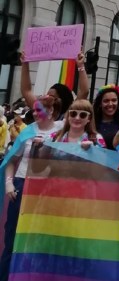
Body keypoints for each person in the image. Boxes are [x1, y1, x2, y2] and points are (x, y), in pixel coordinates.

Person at [1, 95, 62, 281]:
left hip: (47, 190)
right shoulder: (27, 132)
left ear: (51, 111)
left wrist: (81, 68)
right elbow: (11, 161)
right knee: (12, 233)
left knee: (40, 236)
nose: (35, 113)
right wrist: (9, 183)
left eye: (39, 110)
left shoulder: (61, 129)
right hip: (22, 184)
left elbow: (83, 99)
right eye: (34, 110)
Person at [20, 51, 89, 120]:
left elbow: (84, 91)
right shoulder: (40, 112)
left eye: (51, 96)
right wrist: (25, 63)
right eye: (47, 95)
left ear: (61, 101)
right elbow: (26, 91)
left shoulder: (66, 119)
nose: (46, 97)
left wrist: (80, 66)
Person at [93, 84, 119, 150]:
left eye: (114, 100)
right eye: (106, 101)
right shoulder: (92, 123)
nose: (110, 104)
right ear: (100, 104)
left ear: (118, 103)